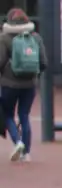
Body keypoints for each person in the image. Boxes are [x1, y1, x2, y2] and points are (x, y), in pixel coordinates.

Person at [0, 8, 47, 163]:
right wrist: (34, 76)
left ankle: (18, 141)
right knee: (24, 115)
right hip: (29, 84)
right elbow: (43, 62)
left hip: (9, 84)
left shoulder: (5, 38)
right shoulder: (35, 37)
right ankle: (26, 153)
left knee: (7, 114)